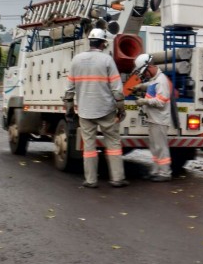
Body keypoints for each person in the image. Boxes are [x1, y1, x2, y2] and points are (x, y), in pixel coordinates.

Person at [64, 28, 128, 189]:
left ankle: (91, 180)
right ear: (103, 43)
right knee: (113, 143)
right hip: (106, 109)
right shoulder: (107, 60)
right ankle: (117, 179)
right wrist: (121, 109)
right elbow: (117, 89)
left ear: (90, 42)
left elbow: (69, 90)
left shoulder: (76, 60)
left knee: (89, 146)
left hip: (85, 111)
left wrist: (69, 110)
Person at [133, 53, 173, 182]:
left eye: (145, 73)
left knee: (161, 147)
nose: (145, 76)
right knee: (155, 147)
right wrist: (141, 86)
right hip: (153, 119)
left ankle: (165, 173)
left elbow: (161, 102)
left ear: (149, 67)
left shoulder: (162, 80)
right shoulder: (156, 79)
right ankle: (156, 170)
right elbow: (151, 85)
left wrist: (144, 102)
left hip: (159, 120)